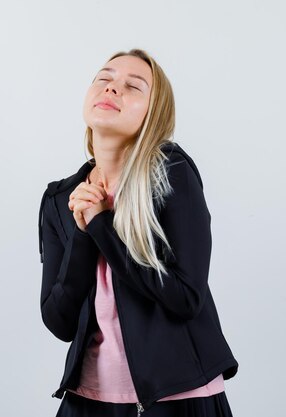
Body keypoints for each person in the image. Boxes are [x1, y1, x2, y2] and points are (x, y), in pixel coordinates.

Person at [37, 49, 239, 417]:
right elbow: (59, 321)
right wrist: (83, 234)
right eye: (105, 79)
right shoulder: (61, 199)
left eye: (133, 87)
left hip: (178, 399)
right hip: (87, 401)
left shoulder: (171, 174)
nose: (113, 89)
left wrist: (102, 226)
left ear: (153, 114)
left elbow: (186, 297)